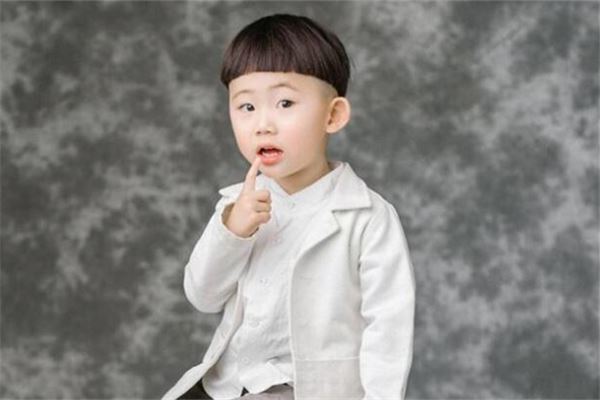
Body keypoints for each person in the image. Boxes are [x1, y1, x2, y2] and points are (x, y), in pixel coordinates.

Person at [162, 13, 415, 400]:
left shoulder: (368, 218)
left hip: (303, 389)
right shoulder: (237, 205)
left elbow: (388, 329)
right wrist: (233, 231)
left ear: (333, 115)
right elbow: (203, 296)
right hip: (228, 383)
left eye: (284, 102)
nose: (263, 124)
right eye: (246, 107)